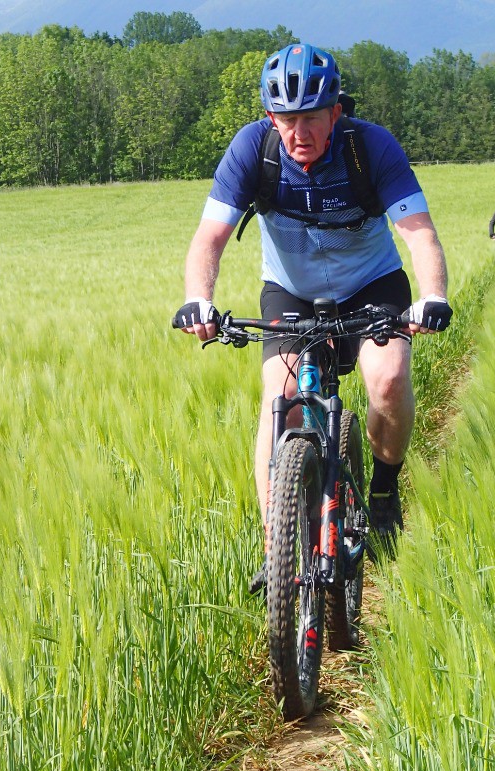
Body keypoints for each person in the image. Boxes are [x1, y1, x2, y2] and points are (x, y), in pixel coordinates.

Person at [174, 42, 452, 585]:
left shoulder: (369, 148)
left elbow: (418, 232)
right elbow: (210, 237)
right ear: (270, 117)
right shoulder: (254, 150)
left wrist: (432, 294)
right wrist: (197, 299)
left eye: (311, 118)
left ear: (336, 113)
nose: (298, 132)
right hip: (292, 293)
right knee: (279, 401)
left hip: (372, 286)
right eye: (285, 119)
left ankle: (384, 489)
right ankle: (275, 547)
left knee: (389, 378)